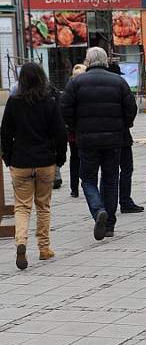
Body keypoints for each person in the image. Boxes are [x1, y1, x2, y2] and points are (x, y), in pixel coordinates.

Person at [60, 47, 137, 240]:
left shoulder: (75, 82)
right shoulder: (119, 82)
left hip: (86, 140)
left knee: (87, 179)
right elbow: (131, 108)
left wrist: (75, 127)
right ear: (105, 61)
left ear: (87, 61)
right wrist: (123, 125)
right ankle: (109, 224)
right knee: (111, 180)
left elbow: (65, 108)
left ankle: (98, 210)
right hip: (114, 139)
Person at [1, 62, 67, 270]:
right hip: (45, 161)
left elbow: (5, 133)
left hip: (20, 161)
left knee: (22, 206)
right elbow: (60, 133)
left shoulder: (13, 102)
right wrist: (61, 158)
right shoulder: (49, 102)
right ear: (42, 79)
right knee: (43, 206)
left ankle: (21, 242)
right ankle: (44, 248)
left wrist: (8, 158)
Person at [107, 62, 144, 213]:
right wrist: (127, 123)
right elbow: (131, 108)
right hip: (121, 135)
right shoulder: (121, 85)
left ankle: (107, 204)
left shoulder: (89, 84)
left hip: (101, 137)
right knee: (126, 169)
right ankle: (125, 201)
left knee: (108, 171)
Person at [68, 63, 86, 197]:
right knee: (85, 159)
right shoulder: (88, 89)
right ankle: (85, 184)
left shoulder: (69, 89)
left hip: (73, 132)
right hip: (84, 131)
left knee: (74, 159)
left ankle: (74, 188)